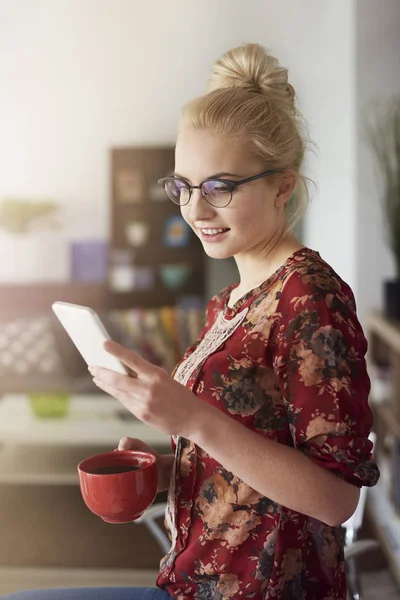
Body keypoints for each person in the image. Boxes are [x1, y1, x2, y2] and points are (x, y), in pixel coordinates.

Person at [5, 43, 379, 600]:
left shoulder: (310, 297)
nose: (195, 212)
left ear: (283, 185)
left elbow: (336, 498)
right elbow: (249, 453)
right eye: (183, 187)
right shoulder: (232, 299)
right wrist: (167, 457)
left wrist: (195, 423)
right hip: (192, 582)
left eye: (220, 188)